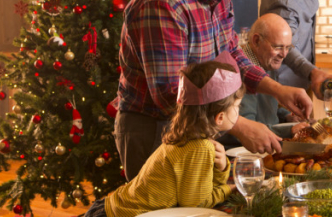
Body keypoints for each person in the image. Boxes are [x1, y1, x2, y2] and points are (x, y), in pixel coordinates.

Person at [115, 0, 313, 180]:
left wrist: (277, 90)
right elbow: (169, 95)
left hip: (197, 123)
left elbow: (232, 56)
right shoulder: (165, 2)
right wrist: (240, 125)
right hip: (155, 128)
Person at [85, 53, 243, 217]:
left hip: (111, 207)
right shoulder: (200, 147)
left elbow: (201, 192)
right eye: (237, 105)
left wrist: (221, 168)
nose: (239, 110)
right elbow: (197, 206)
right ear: (220, 117)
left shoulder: (186, 137)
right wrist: (228, 189)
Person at [219, 13, 309, 148]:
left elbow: (265, 112)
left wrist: (287, 117)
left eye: (288, 47)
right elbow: (245, 133)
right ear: (256, 41)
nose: (284, 54)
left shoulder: (267, 63)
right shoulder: (239, 74)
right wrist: (288, 131)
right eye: (278, 46)